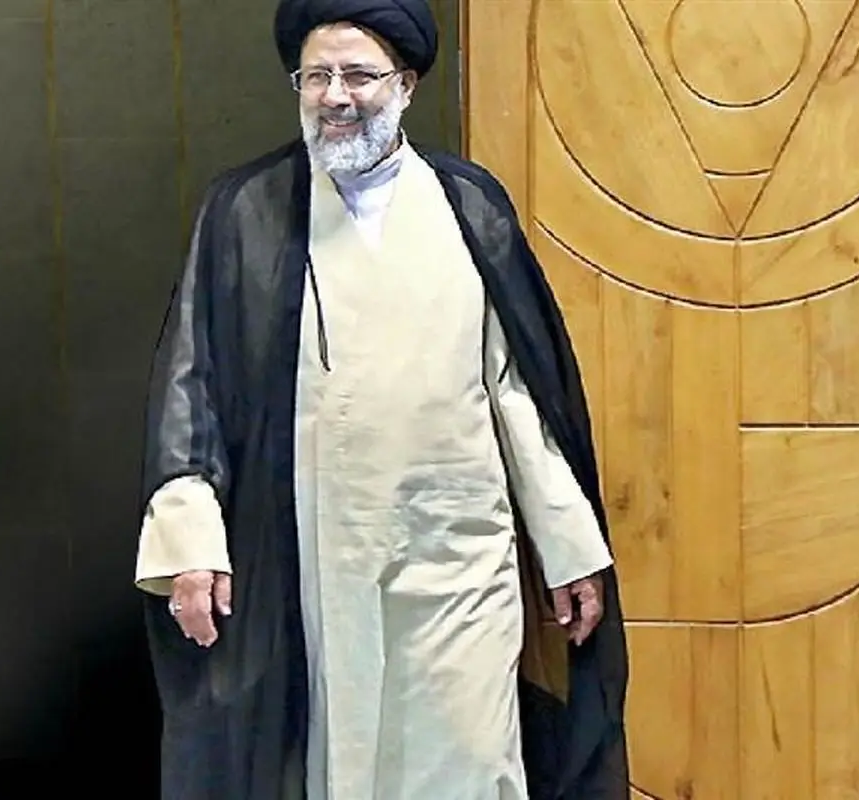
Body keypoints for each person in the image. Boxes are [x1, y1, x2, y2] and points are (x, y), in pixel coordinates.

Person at [133, 0, 629, 797]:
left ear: (406, 84)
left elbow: (514, 390)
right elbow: (195, 380)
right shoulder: (248, 211)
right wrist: (189, 542)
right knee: (345, 762)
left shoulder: (469, 205)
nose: (336, 96)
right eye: (316, 76)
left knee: (471, 758)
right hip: (320, 550)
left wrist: (567, 546)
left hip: (461, 555)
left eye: (359, 75)